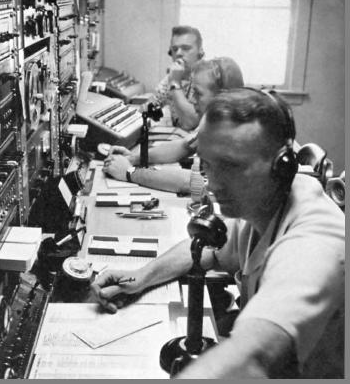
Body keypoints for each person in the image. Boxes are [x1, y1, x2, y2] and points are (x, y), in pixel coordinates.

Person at [91, 88, 345, 378]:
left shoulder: (313, 245)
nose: (213, 183)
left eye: (231, 166)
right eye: (208, 164)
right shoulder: (260, 209)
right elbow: (205, 250)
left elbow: (254, 357)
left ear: (282, 166)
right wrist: (141, 277)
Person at [102, 57, 244, 194]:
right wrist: (133, 158)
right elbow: (182, 147)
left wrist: (129, 172)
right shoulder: (215, 122)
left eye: (199, 94)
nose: (193, 100)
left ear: (222, 98)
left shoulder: (232, 134)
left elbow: (190, 181)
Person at [150, 25, 205, 131]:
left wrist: (175, 82)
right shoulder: (171, 77)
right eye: (175, 49)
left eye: (186, 48)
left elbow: (191, 123)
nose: (178, 53)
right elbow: (149, 107)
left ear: (200, 51)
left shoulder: (208, 78)